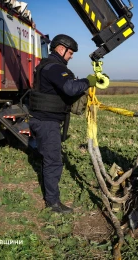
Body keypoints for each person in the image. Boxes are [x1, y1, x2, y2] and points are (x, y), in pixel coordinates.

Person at [29, 34, 98, 214]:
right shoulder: (54, 67)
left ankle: (52, 198)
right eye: (70, 52)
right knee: (53, 162)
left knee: (48, 157)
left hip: (42, 120)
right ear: (61, 48)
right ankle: (53, 203)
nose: (72, 56)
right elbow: (70, 88)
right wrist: (89, 81)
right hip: (47, 122)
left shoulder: (46, 65)